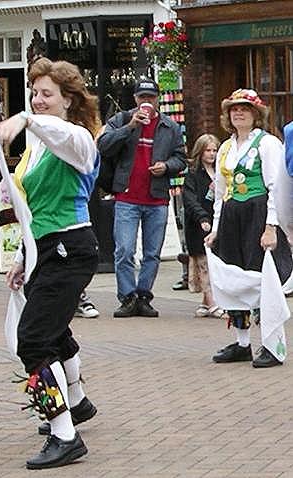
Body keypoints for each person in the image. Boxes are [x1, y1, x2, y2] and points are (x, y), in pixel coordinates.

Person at [0, 58, 99, 469]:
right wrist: (21, 257)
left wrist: (23, 118)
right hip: (45, 247)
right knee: (52, 333)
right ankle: (77, 402)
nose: (38, 101)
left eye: (46, 94)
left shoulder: (78, 138)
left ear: (68, 99)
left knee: (33, 341)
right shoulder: (38, 145)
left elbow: (60, 133)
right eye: (34, 93)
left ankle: (65, 435)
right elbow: (29, 210)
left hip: (70, 247)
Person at [206, 89, 292, 367]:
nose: (238, 112)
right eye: (234, 109)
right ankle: (242, 343)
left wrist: (271, 227)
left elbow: (276, 188)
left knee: (263, 279)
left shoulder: (267, 144)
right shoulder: (225, 147)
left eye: (244, 108)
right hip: (232, 217)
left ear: (256, 114)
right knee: (235, 278)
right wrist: (217, 227)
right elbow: (221, 191)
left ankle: (272, 344)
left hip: (258, 215)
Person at [97, 78, 187, 318]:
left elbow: (181, 159)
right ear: (135, 99)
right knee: (124, 250)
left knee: (152, 253)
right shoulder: (121, 120)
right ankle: (127, 297)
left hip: (156, 198)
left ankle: (144, 295)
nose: (146, 102)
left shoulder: (170, 126)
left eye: (150, 97)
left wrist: (166, 166)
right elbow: (103, 146)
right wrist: (130, 128)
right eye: (141, 97)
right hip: (126, 196)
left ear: (157, 99)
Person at [182, 133, 226, 318]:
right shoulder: (192, 175)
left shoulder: (222, 173)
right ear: (200, 152)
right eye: (208, 150)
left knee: (215, 264)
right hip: (198, 225)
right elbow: (190, 200)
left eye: (215, 150)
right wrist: (201, 218)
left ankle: (205, 302)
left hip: (219, 223)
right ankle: (212, 301)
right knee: (203, 264)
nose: (212, 154)